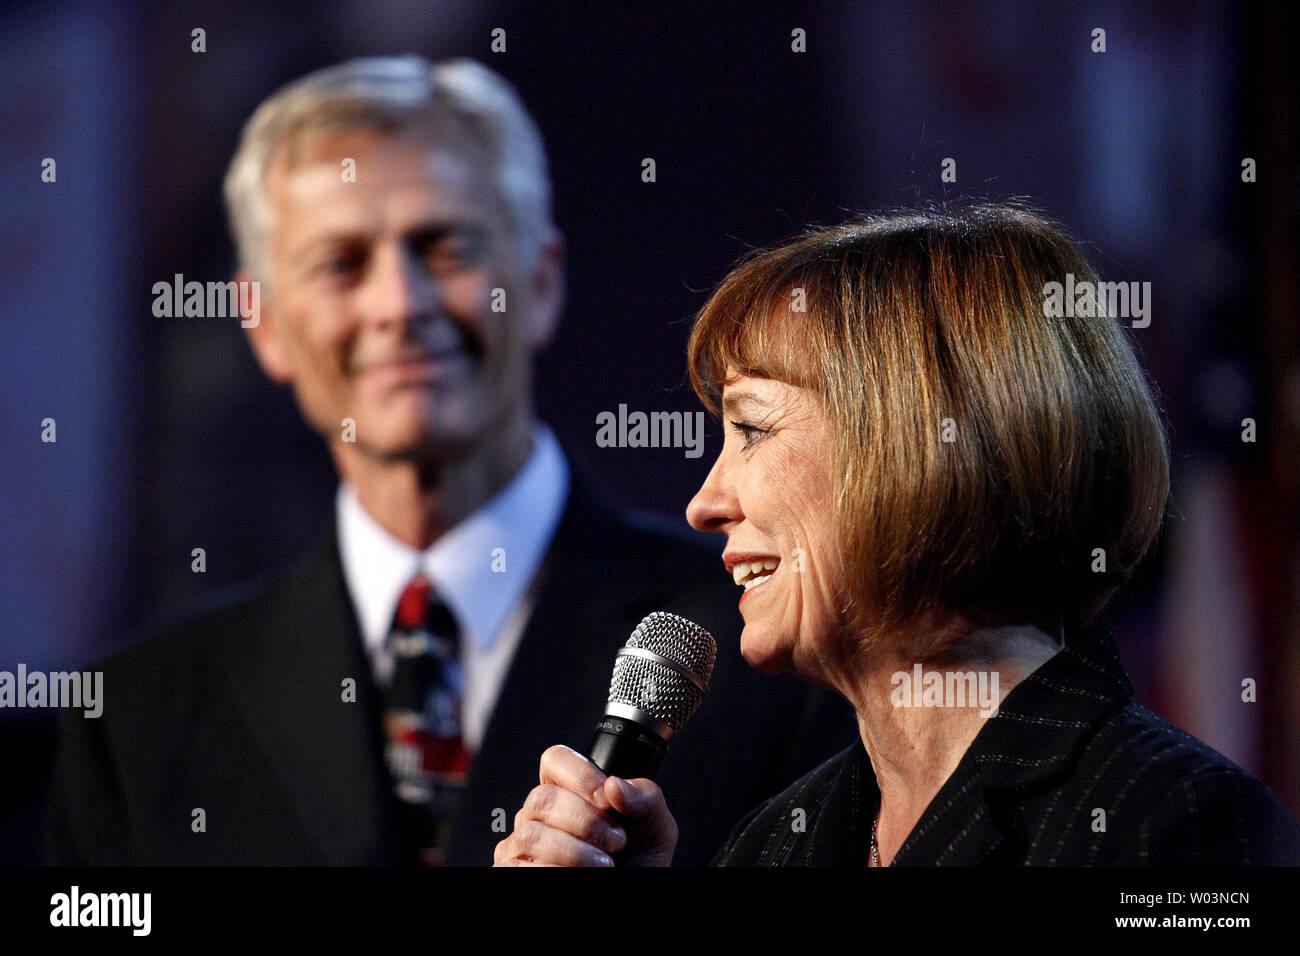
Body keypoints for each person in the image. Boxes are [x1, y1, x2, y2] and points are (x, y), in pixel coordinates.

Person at [42, 56, 855, 866]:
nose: (398, 304)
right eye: (341, 264)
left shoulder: (774, 648)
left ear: (539, 281)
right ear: (262, 324)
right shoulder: (135, 719)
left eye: (444, 248)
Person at [494, 203, 1300, 866]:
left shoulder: (1178, 827)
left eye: (752, 430)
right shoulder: (776, 844)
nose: (705, 504)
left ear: (915, 447)